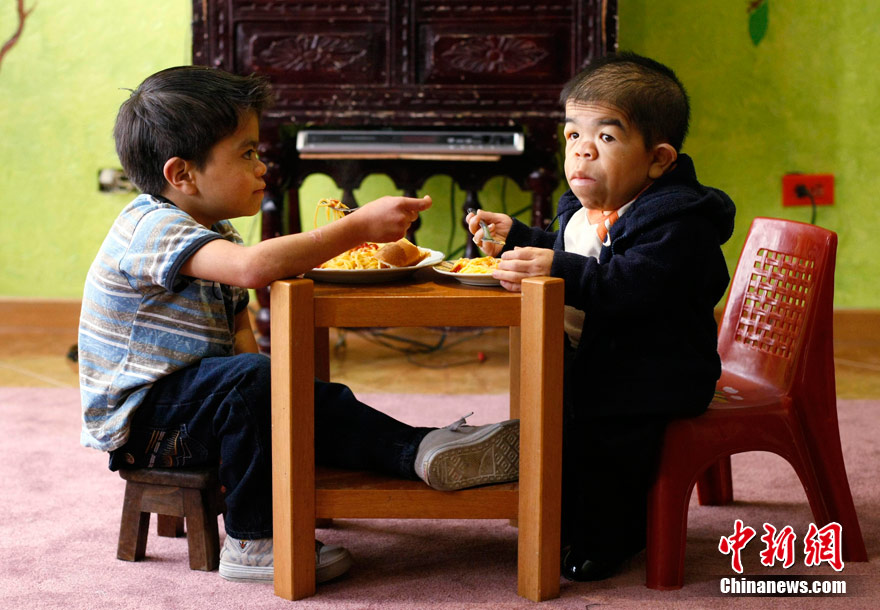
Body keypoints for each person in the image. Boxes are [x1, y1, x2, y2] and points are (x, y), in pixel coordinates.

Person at [78, 65, 519, 585]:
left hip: (197, 404)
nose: (262, 166)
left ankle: (422, 450)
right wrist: (355, 227)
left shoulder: (216, 233)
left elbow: (239, 333)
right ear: (182, 175)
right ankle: (254, 540)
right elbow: (254, 270)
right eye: (246, 154)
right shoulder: (150, 226)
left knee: (302, 394)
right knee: (254, 383)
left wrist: (281, 399)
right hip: (147, 426)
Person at [466, 52, 736, 581]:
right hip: (598, 355)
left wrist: (558, 268)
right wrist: (519, 239)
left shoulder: (679, 222)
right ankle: (562, 512)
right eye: (573, 135)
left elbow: (631, 283)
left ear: (658, 160)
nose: (582, 150)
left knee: (606, 442)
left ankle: (614, 536)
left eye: (606, 137)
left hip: (658, 372)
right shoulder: (586, 205)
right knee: (553, 419)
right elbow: (575, 253)